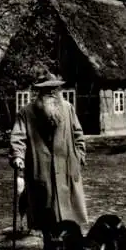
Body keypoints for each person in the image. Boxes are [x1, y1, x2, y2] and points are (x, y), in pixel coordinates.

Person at [9, 71, 88, 238]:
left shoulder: (68, 109)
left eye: (55, 88)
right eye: (47, 90)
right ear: (40, 92)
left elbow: (78, 134)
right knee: (45, 211)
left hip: (67, 168)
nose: (52, 92)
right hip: (41, 169)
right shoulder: (26, 113)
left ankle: (68, 244)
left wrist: (79, 155)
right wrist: (18, 156)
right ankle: (50, 245)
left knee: (69, 213)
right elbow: (18, 137)